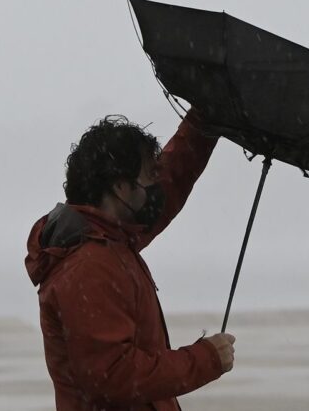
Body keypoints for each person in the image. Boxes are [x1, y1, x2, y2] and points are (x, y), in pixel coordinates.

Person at [25, 109, 235, 411]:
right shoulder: (90, 266)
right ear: (120, 187)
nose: (156, 188)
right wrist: (205, 359)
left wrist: (204, 118)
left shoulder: (112, 241)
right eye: (150, 176)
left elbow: (173, 179)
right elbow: (112, 376)